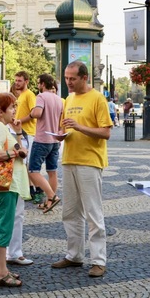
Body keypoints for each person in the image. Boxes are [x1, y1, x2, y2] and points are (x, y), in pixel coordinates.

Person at [51, 61, 112, 278]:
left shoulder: (97, 98)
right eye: (66, 78)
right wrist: (60, 134)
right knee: (70, 212)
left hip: (90, 161)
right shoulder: (69, 99)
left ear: (84, 78)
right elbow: (64, 127)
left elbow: (105, 132)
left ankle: (98, 260)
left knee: (93, 212)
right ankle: (74, 255)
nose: (68, 82)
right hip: (69, 159)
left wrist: (79, 127)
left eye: (72, 79)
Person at [0, 92, 31, 287]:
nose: (14, 110)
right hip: (5, 184)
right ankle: (1, 272)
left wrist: (18, 132)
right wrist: (15, 152)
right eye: (11, 107)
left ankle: (2, 268)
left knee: (4, 226)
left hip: (10, 184)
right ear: (1, 111)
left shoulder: (4, 127)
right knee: (2, 227)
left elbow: (21, 149)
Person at [28, 73, 63, 212]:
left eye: (38, 83)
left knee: (33, 171)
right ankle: (49, 203)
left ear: (43, 84)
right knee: (52, 172)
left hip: (42, 139)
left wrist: (30, 113)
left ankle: (52, 196)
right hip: (55, 140)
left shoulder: (41, 96)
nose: (37, 85)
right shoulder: (59, 99)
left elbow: (37, 113)